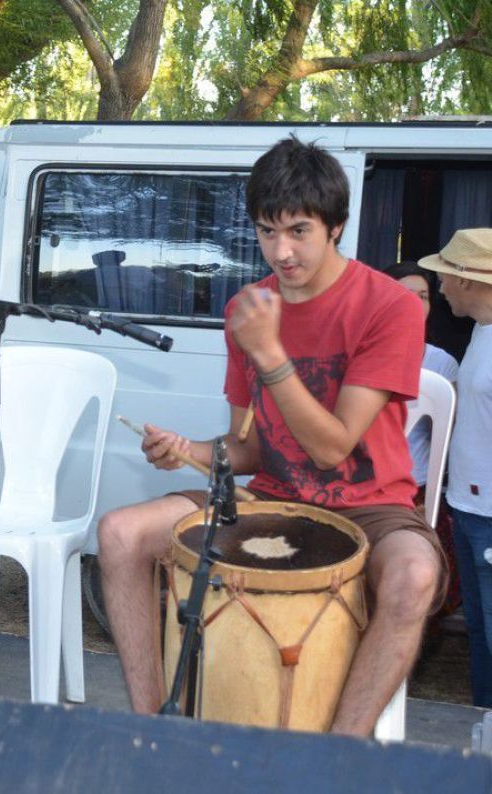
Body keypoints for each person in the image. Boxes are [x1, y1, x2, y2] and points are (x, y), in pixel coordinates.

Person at [96, 136, 442, 737]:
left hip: (372, 506)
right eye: (266, 232)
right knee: (120, 533)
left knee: (414, 576)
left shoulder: (391, 307)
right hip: (273, 496)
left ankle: (339, 749)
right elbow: (248, 449)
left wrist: (272, 354)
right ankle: (155, 733)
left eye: (299, 231)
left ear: (335, 227)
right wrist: (190, 451)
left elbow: (333, 448)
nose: (281, 252)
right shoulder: (249, 308)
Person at [419, 228, 492, 707]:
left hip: (489, 517)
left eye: (445, 276)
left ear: (469, 280)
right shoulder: (481, 333)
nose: (440, 287)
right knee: (482, 637)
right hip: (468, 509)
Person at [386, 261, 462, 617]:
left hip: (417, 489)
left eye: (424, 296)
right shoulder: (359, 353)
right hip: (368, 487)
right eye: (406, 295)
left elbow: (449, 436)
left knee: (423, 586)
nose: (417, 304)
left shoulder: (442, 364)